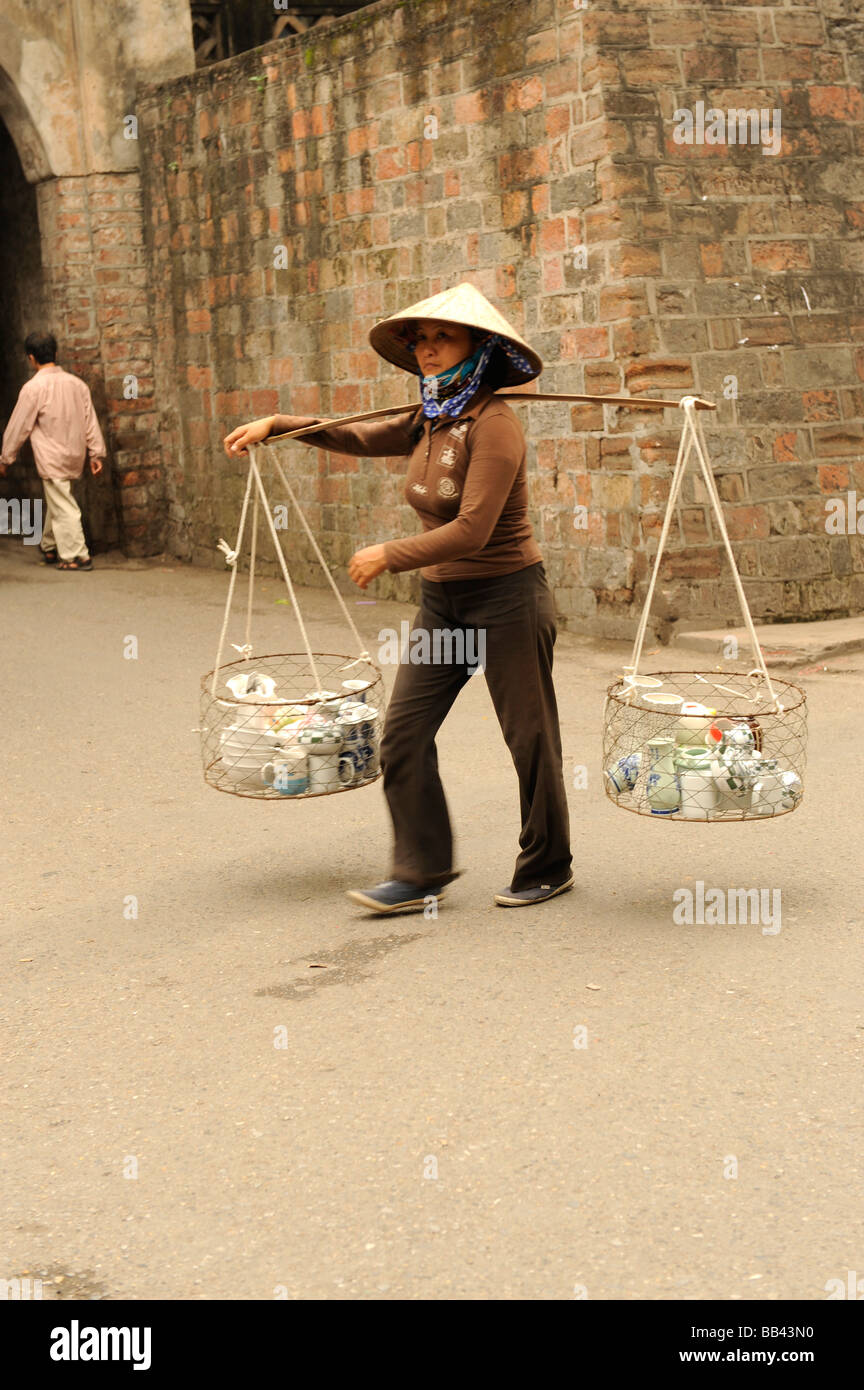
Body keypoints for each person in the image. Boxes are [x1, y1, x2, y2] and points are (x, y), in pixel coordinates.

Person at [223, 282, 572, 913]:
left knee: (528, 736)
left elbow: (473, 529)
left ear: (479, 347)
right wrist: (279, 425)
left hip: (507, 599)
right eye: (422, 338)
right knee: (402, 734)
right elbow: (356, 437)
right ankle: (421, 871)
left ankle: (549, 863)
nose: (429, 349)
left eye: (445, 336)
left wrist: (391, 554)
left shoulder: (494, 425)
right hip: (444, 604)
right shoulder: (431, 415)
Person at [0, 331, 105, 570]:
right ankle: (49, 546)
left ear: (31, 359)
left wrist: (6, 458)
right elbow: (91, 420)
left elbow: (18, 427)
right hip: (75, 454)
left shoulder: (33, 388)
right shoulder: (77, 385)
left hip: (51, 457)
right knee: (58, 499)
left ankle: (76, 556)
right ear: (55, 354)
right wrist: (95, 453)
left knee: (63, 504)